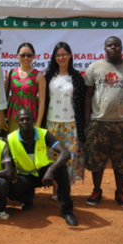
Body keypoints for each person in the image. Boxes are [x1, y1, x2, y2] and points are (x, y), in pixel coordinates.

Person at [84, 36, 123, 209]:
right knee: (97, 159)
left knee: (122, 160)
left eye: (116, 45)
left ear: (122, 48)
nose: (113, 47)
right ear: (105, 48)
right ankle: (96, 190)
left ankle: (120, 192)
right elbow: (88, 95)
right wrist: (87, 122)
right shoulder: (94, 68)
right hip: (98, 122)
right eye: (110, 45)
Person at [8, 109, 78, 226]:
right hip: (25, 175)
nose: (25, 122)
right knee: (11, 188)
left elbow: (65, 153)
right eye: (21, 119)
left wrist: (51, 170)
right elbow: (8, 163)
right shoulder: (10, 139)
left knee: (61, 170)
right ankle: (27, 199)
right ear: (17, 122)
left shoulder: (44, 134)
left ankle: (67, 211)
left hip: (43, 174)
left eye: (28, 119)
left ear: (33, 121)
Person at [43, 42, 86, 198]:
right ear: (54, 57)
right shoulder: (48, 76)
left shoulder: (76, 78)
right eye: (58, 55)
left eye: (64, 54)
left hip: (71, 123)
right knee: (53, 156)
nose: (61, 58)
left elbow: (81, 103)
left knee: (68, 157)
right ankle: (55, 189)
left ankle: (64, 190)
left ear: (70, 56)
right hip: (51, 123)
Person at [5, 43, 46, 132]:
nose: (26, 58)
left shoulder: (39, 76)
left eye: (29, 55)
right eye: (23, 55)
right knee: (13, 143)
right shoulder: (10, 73)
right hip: (13, 116)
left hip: (31, 117)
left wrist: (38, 123)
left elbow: (42, 101)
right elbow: (5, 97)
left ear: (33, 56)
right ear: (17, 56)